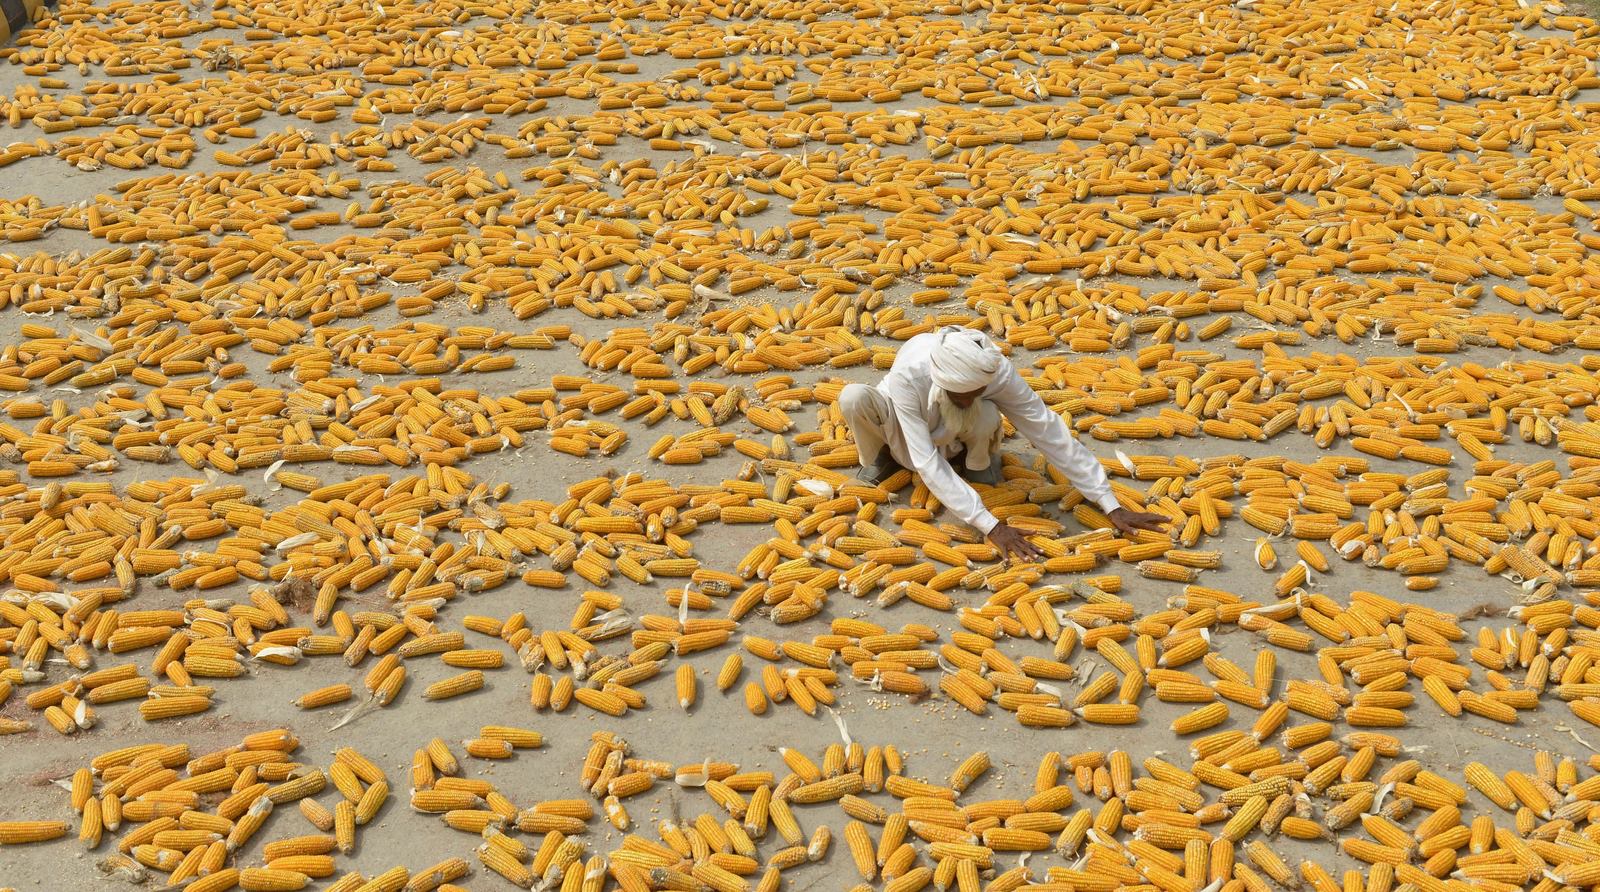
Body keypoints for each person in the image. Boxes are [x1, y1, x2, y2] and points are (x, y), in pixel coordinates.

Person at [838, 326, 1168, 560]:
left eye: (974, 393)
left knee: (984, 415)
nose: (967, 399)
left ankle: (976, 460)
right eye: (960, 395)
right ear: (942, 381)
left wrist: (1107, 500)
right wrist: (990, 525)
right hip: (905, 423)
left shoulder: (994, 370)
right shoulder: (910, 376)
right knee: (853, 398)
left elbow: (1045, 429)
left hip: (956, 433)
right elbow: (926, 461)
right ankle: (884, 457)